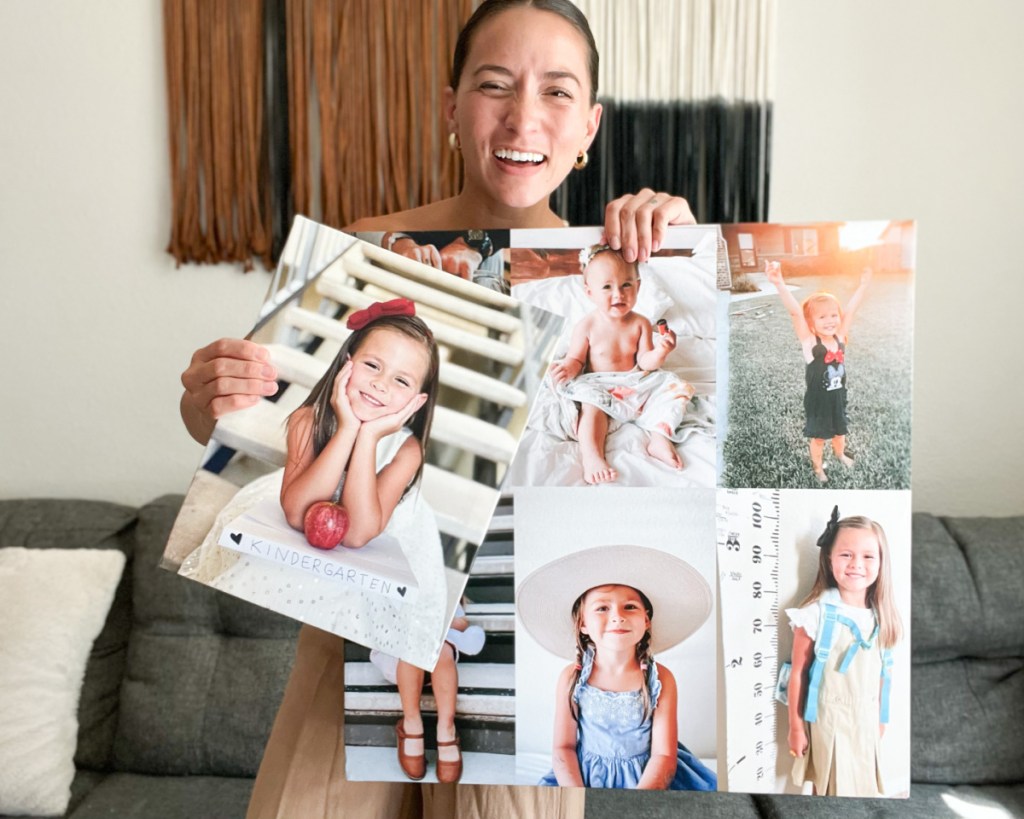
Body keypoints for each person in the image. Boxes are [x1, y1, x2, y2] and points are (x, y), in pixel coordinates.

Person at [178, 1, 697, 815]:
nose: (524, 115)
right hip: (351, 630)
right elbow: (267, 428)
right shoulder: (368, 248)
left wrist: (690, 251)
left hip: (514, 644)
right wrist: (213, 396)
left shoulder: (623, 265)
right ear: (449, 105)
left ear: (590, 125)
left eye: (557, 92)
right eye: (495, 85)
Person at [516, 544, 716, 790]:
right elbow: (563, 748)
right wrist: (580, 797)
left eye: (630, 606)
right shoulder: (572, 678)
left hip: (649, 780)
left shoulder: (661, 678)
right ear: (583, 624)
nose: (617, 616)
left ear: (646, 620)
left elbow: (663, 755)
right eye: (602, 608)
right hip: (583, 779)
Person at [549, 245, 695, 483]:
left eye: (626, 285)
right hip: (600, 385)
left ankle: (659, 438)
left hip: (635, 382)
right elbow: (576, 359)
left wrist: (661, 351)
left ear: (638, 286)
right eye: (607, 287)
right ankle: (592, 456)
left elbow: (646, 362)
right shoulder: (586, 326)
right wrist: (568, 368)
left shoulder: (641, 324)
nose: (618, 294)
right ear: (589, 292)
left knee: (674, 388)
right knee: (590, 406)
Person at [785, 507, 902, 797]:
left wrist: (881, 718)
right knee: (828, 789)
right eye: (846, 554)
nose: (856, 564)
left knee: (861, 790)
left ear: (881, 562)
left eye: (867, 556)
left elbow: (883, 674)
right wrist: (796, 728)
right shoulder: (815, 615)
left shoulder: (882, 617)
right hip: (828, 720)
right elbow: (797, 672)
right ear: (829, 558)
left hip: (865, 721)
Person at [765, 261, 873, 483]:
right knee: (819, 439)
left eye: (833, 315)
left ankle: (840, 454)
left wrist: (863, 285)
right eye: (822, 317)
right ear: (811, 323)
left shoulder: (840, 337)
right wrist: (779, 283)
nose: (830, 320)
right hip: (818, 403)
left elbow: (851, 310)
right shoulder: (810, 342)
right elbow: (795, 313)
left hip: (838, 398)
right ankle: (818, 468)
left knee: (840, 432)